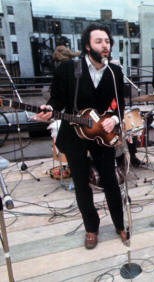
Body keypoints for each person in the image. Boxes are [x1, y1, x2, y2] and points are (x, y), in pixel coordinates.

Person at [35, 23, 127, 249]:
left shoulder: (114, 71)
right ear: (87, 45)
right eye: (99, 41)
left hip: (102, 135)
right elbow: (56, 99)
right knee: (82, 184)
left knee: (111, 181)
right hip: (74, 133)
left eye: (107, 41)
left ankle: (120, 224)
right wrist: (48, 109)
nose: (104, 45)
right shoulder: (68, 69)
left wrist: (114, 119)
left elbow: (121, 105)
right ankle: (91, 228)